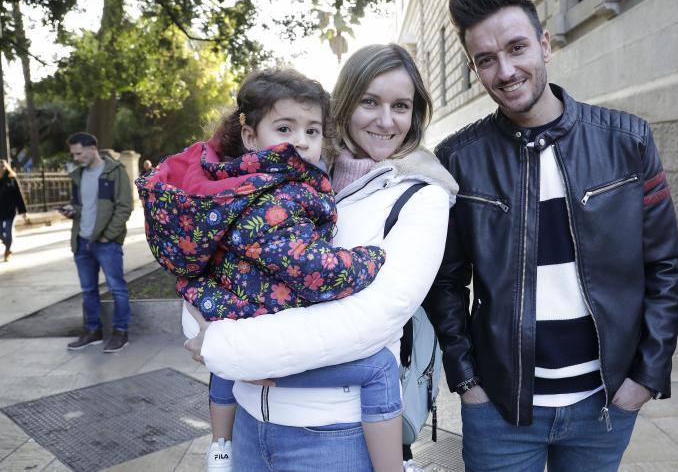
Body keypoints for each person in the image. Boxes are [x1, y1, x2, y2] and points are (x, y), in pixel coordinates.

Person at [423, 0, 678, 471]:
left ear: (545, 44)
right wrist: (467, 382)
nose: (505, 70)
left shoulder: (627, 143)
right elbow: (446, 281)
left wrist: (645, 380)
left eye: (517, 48)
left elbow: (664, 265)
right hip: (500, 410)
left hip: (603, 406)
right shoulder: (459, 159)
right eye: (486, 60)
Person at [182, 44, 457, 472]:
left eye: (400, 106)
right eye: (370, 102)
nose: (386, 120)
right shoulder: (287, 172)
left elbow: (371, 318)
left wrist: (227, 348)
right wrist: (201, 328)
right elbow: (203, 263)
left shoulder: (423, 196)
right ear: (345, 104)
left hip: (333, 437)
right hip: (249, 428)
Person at [137, 68, 403, 472]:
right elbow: (312, 269)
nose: (301, 140)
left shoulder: (237, 182)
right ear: (250, 136)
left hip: (228, 303)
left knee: (229, 364)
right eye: (285, 128)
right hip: (264, 310)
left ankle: (220, 444)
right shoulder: (277, 193)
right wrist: (368, 259)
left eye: (312, 131)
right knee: (381, 368)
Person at [64, 132, 134, 353]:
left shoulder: (114, 172)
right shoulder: (78, 175)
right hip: (82, 242)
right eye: (73, 154)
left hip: (106, 243)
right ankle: (92, 331)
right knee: (88, 290)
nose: (76, 158)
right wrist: (71, 211)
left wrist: (108, 235)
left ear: (92, 148)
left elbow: (124, 206)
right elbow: (82, 206)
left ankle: (120, 333)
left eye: (78, 153)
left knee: (117, 289)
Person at [0, 159, 28, 261]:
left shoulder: (12, 178)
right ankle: (7, 242)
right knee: (1, 233)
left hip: (10, 211)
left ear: (6, 167)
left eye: (3, 167)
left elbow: (18, 195)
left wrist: (23, 211)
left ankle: (7, 250)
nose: (1, 169)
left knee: (8, 231)